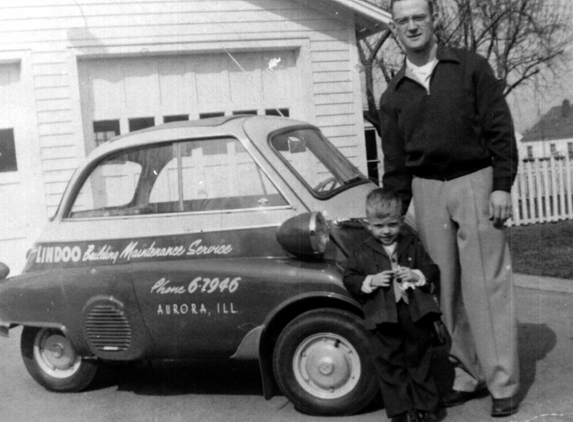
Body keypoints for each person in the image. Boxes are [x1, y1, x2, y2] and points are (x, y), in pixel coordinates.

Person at [379, 0, 520, 418]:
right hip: (426, 191)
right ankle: (467, 374)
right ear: (393, 28)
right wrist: (393, 218)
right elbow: (396, 165)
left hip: (474, 182)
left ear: (433, 19)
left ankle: (502, 383)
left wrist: (501, 186)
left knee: (486, 286)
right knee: (442, 288)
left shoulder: (470, 67)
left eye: (418, 17)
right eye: (403, 20)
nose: (412, 25)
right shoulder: (393, 95)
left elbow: (499, 129)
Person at [343, 187, 443, 422]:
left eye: (392, 224)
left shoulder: (412, 244)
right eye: (379, 226)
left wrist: (416, 274)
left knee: (420, 361)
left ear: (400, 221)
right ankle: (401, 411)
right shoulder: (362, 251)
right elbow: (350, 278)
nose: (386, 231)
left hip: (414, 313)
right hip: (382, 316)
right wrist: (371, 281)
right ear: (368, 225)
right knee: (390, 365)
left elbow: (432, 270)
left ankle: (427, 408)